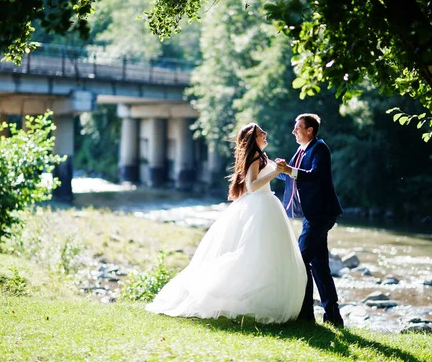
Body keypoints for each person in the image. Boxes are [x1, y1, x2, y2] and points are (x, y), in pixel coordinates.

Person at [145, 123, 307, 323]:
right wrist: (275, 172)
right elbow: (252, 186)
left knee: (266, 254)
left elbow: (271, 174)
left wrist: (281, 168)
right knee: (251, 253)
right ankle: (227, 294)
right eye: (260, 133)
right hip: (259, 206)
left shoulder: (263, 156)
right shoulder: (255, 157)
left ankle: (261, 301)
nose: (265, 134)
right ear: (252, 139)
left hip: (267, 205)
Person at [275, 113, 344, 327]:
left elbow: (314, 175)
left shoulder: (320, 148)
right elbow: (290, 175)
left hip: (322, 214)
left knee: (300, 261)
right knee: (319, 265)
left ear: (309, 130)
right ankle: (333, 315)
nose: (294, 131)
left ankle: (305, 315)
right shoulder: (302, 150)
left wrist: (289, 169)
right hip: (312, 215)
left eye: (298, 127)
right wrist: (269, 166)